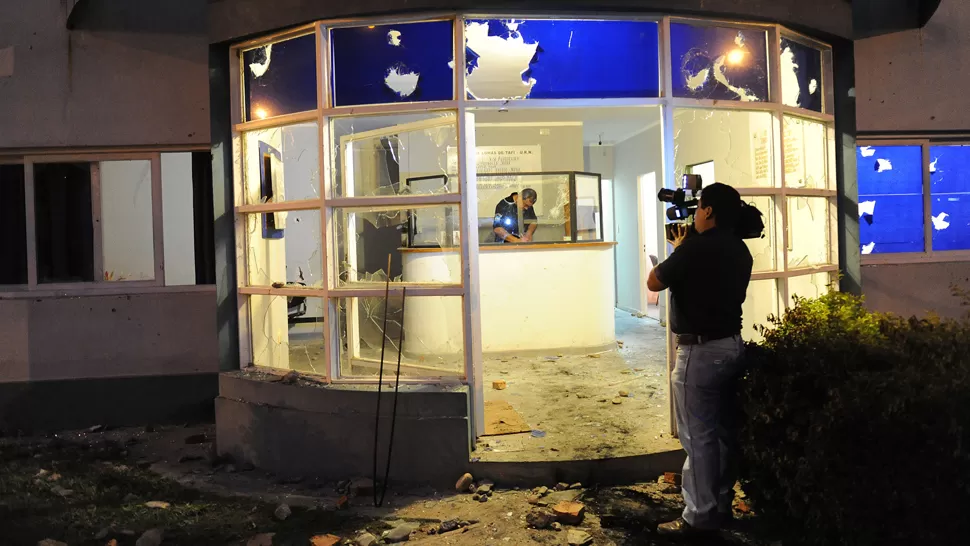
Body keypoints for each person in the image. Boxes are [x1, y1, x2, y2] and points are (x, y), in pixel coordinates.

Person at [646, 182, 753, 537]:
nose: (694, 214)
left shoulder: (694, 249)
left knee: (698, 438)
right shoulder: (740, 250)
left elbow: (654, 281)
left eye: (699, 209)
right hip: (731, 346)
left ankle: (698, 517)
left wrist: (680, 247)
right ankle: (721, 504)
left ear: (707, 211)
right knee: (721, 433)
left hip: (700, 353)